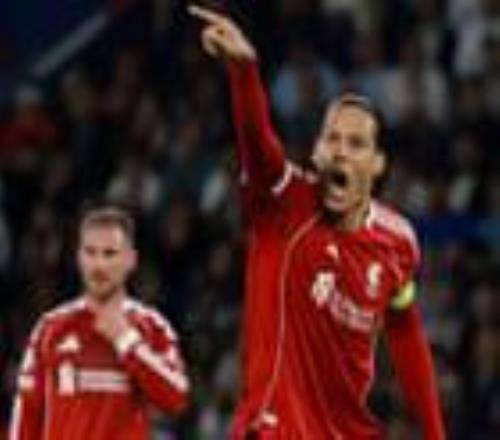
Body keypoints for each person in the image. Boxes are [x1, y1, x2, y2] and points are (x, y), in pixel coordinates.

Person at [189, 5, 445, 439]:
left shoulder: (399, 241)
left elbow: (404, 328)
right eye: (332, 139)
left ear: (378, 164)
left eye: (356, 143)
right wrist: (245, 71)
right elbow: (258, 144)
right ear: (316, 153)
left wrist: (435, 433)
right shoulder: (285, 203)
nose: (341, 150)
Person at [9, 206, 190, 440]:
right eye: (90, 252)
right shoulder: (50, 328)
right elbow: (26, 414)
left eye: (109, 253)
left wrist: (127, 341)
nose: (99, 265)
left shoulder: (152, 326)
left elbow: (176, 398)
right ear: (79, 258)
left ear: (131, 260)